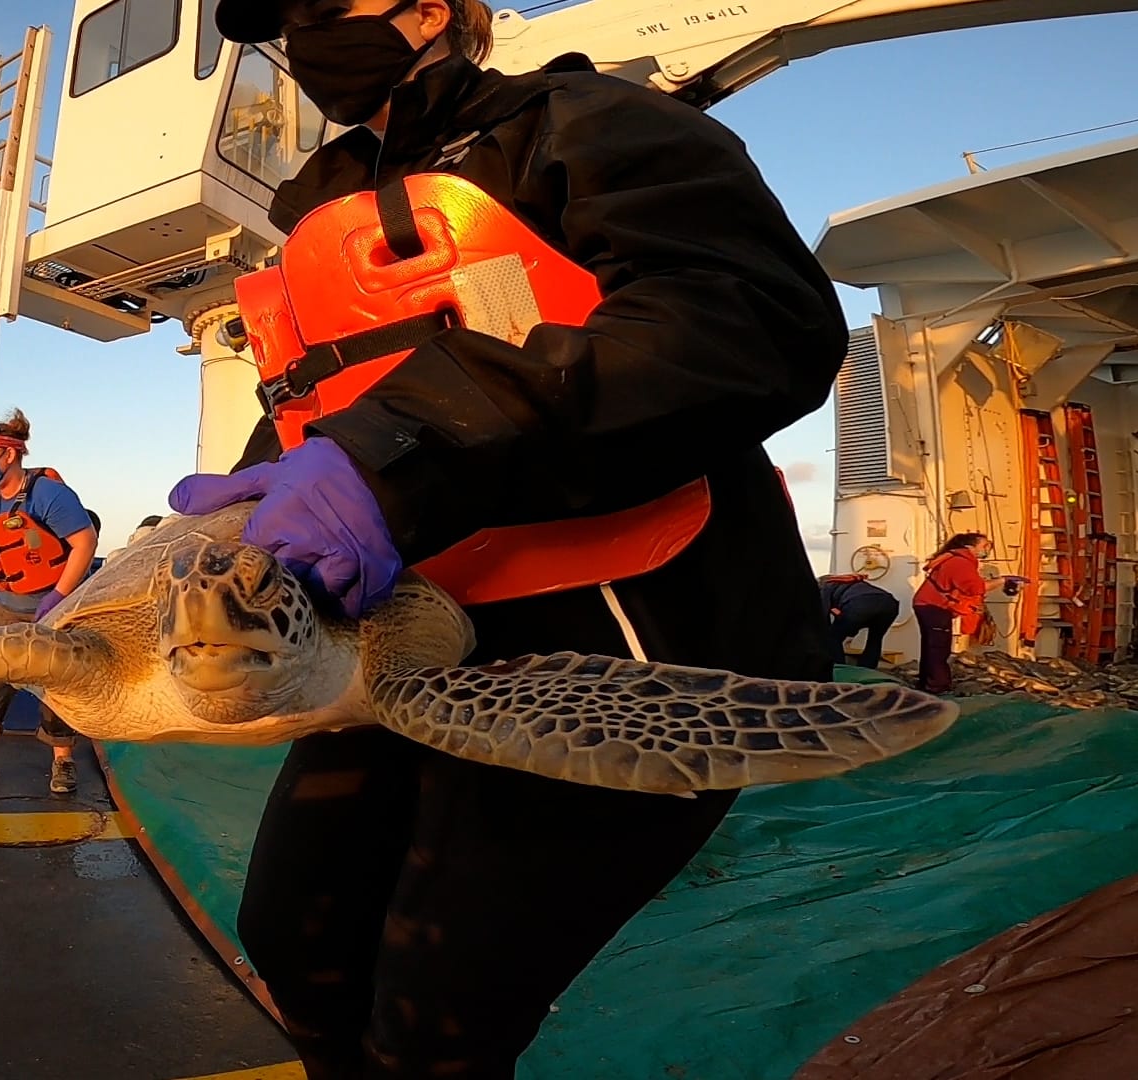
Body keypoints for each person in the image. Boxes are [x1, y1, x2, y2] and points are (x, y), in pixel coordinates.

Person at [171, 2, 852, 1075]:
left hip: (619, 637)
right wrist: (244, 512)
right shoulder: (315, 206)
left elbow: (750, 317)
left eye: (322, 6)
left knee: (440, 1013)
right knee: (295, 941)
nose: (301, 36)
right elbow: (317, 406)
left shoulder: (584, 120)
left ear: (427, 11)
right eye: (283, 20)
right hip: (400, 637)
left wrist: (392, 456)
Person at [0, 409, 99, 794]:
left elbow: (84, 542)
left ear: (10, 454)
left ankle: (63, 760)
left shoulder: (49, 494)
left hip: (56, 603)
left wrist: (60, 595)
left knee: (58, 681)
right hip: (7, 602)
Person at [911, 532, 1003, 693]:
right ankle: (937, 686)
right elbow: (975, 588)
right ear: (969, 547)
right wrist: (1003, 580)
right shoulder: (961, 562)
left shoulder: (955, 559)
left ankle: (926, 682)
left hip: (927, 605)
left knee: (930, 645)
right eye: (984, 545)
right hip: (934, 607)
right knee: (939, 648)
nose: (988, 549)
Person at [818, 573, 900, 668]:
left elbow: (823, 615)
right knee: (875, 640)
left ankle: (840, 670)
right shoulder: (849, 582)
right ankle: (867, 671)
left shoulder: (825, 586)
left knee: (832, 638)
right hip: (889, 604)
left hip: (860, 604)